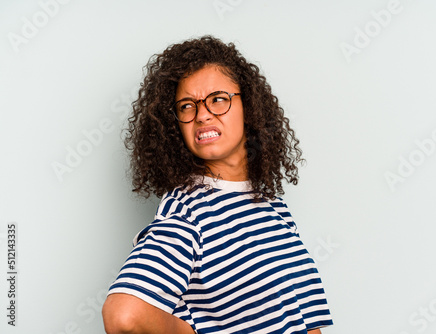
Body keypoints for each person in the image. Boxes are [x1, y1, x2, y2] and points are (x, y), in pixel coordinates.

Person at [102, 35, 333, 334]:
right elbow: (124, 315)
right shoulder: (187, 214)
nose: (202, 115)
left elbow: (303, 321)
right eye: (187, 106)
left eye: (218, 100)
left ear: (248, 107)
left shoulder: (272, 205)